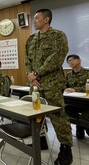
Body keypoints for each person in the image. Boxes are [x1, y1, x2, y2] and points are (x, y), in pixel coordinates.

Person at [25, 9, 73, 165]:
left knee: (58, 117)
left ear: (46, 19)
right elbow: (27, 60)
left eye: (37, 18)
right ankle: (41, 140)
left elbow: (57, 58)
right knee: (36, 115)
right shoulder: (31, 39)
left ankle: (66, 149)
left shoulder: (58, 36)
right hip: (35, 85)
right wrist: (30, 76)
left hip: (52, 84)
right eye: (34, 18)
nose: (34, 21)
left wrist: (37, 73)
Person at [65, 54, 89, 139]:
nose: (70, 62)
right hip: (75, 102)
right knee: (64, 110)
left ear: (79, 60)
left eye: (72, 60)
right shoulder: (68, 75)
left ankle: (85, 126)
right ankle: (79, 126)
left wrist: (75, 89)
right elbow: (66, 87)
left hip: (88, 103)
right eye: (68, 61)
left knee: (88, 127)